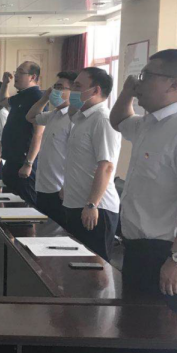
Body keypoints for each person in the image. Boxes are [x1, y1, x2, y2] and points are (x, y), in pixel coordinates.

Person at [110, 49, 177, 320]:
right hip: (136, 250)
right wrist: (127, 92)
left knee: (163, 334)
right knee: (132, 327)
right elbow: (118, 121)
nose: (139, 82)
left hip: (166, 254)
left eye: (146, 76)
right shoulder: (149, 123)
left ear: (175, 84)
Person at [62, 67, 121, 261]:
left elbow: (106, 166)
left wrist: (92, 203)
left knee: (95, 268)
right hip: (76, 203)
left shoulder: (103, 120)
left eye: (78, 86)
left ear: (95, 90)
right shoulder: (82, 118)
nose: (73, 91)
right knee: (75, 265)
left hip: (96, 208)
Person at [25, 71, 77, 227]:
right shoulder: (54, 114)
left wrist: (66, 186)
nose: (55, 91)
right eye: (55, 87)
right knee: (43, 232)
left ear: (73, 91)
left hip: (60, 189)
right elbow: (30, 117)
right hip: (43, 186)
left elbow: (74, 157)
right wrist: (45, 97)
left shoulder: (74, 118)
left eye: (60, 87)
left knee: (58, 232)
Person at [0, 62, 44, 206]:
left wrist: (29, 163)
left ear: (32, 77)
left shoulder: (37, 97)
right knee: (9, 206)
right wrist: (5, 84)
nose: (16, 75)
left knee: (24, 208)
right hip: (11, 160)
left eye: (21, 72)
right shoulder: (22, 95)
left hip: (24, 162)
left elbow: (38, 134)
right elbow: (2, 101)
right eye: (16, 72)